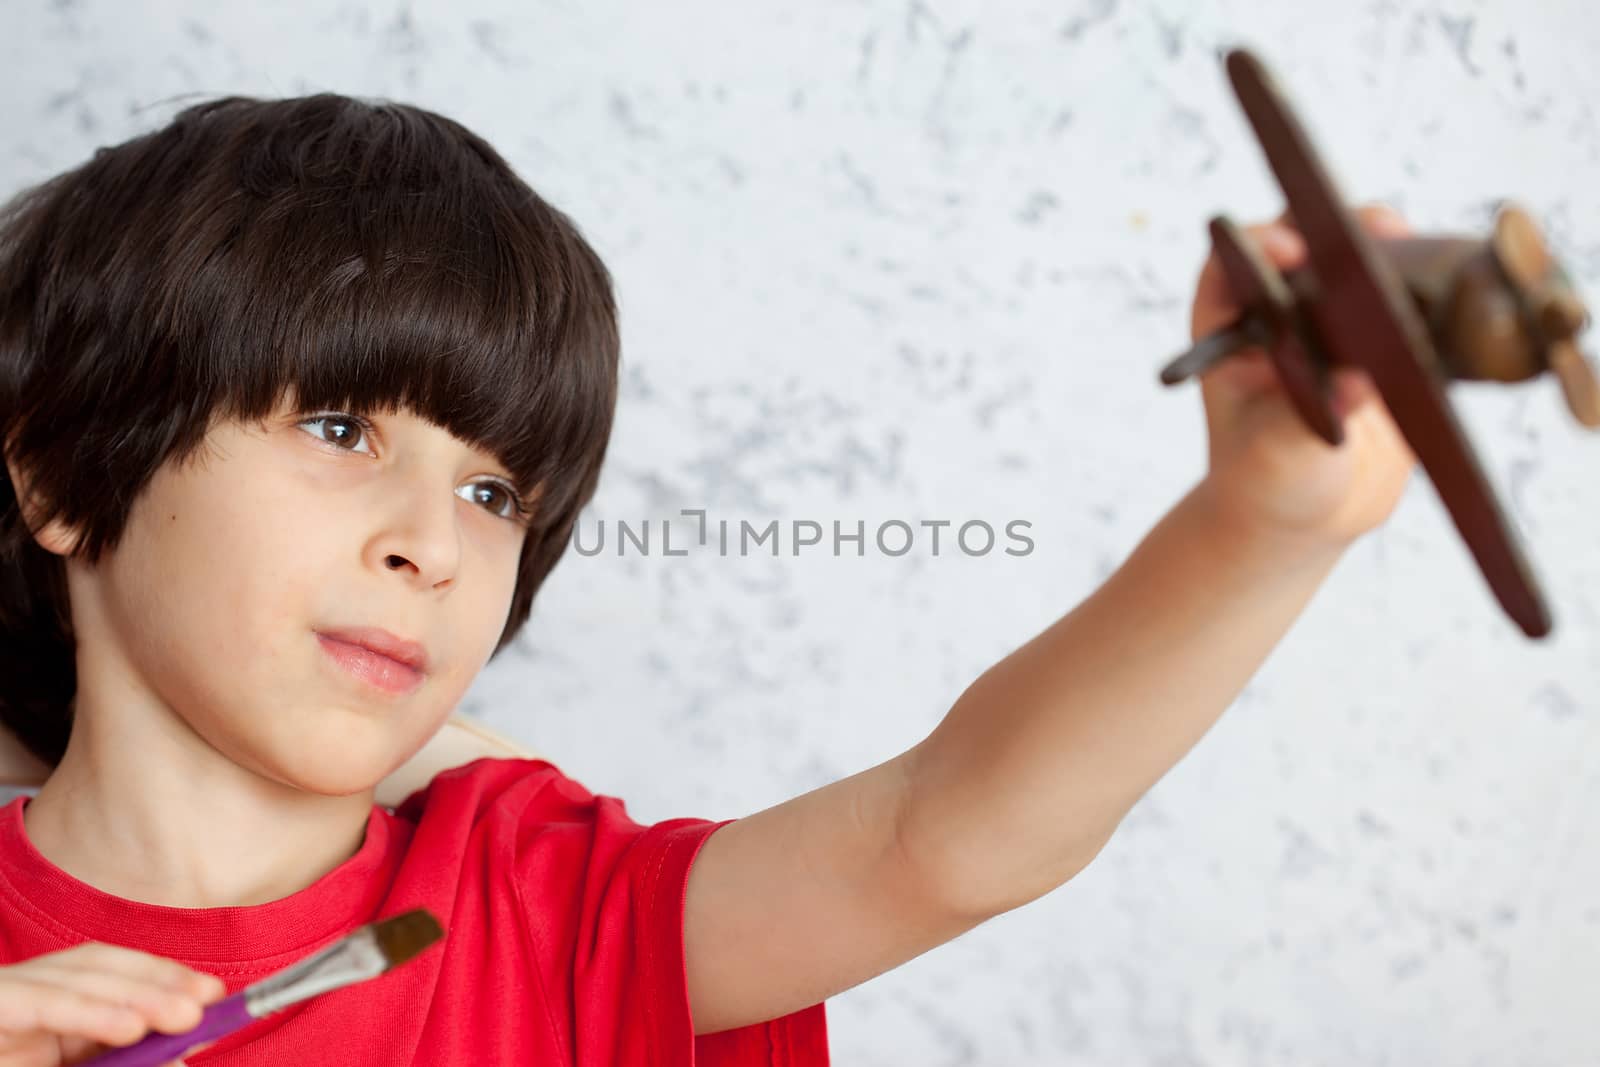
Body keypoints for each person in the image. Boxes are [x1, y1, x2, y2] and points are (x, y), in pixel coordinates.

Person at [0, 93, 1416, 1066]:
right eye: (337, 427)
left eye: (494, 492)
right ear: (62, 476)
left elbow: (947, 833)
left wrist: (1266, 520)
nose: (431, 542)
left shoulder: (550, 911)